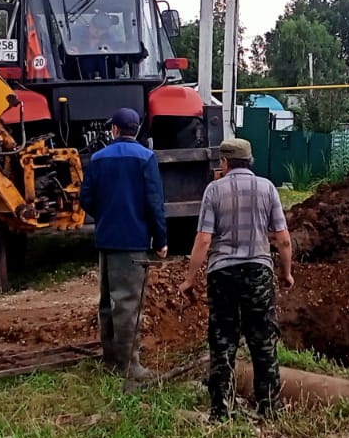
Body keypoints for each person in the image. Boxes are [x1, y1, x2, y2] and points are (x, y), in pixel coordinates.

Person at [179, 138, 294, 420]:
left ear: (225, 163)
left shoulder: (214, 191)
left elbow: (204, 239)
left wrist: (189, 279)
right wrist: (286, 273)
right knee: (263, 338)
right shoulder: (267, 188)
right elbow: (283, 239)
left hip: (223, 273)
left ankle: (221, 410)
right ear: (250, 161)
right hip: (258, 270)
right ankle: (268, 406)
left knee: (223, 339)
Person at [78, 107, 167, 380]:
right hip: (134, 242)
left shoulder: (98, 158)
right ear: (137, 130)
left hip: (106, 241)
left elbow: (85, 199)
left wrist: (105, 216)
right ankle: (130, 366)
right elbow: (154, 202)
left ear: (114, 129)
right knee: (129, 305)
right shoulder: (146, 157)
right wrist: (160, 238)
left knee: (107, 302)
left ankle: (111, 360)